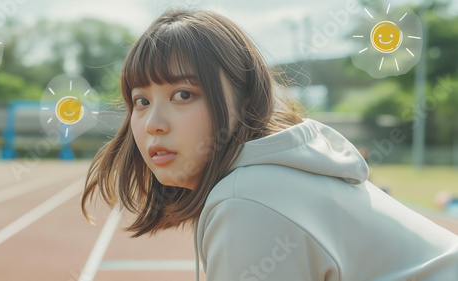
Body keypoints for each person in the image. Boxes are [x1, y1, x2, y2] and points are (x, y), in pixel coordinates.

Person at [81, 8, 458, 281]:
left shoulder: (246, 200)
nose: (153, 125)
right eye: (141, 101)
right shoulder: (276, 177)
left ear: (245, 101)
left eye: (183, 94)